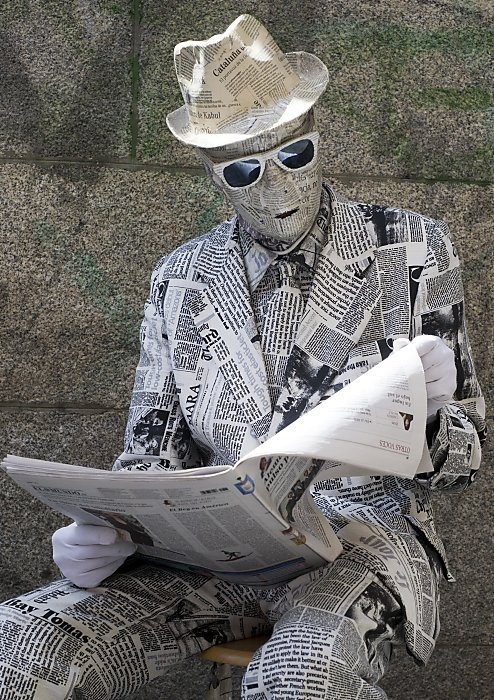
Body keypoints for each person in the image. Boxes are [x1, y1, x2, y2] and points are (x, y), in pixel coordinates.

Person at [0, 14, 485, 700]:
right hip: (207, 556)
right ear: (211, 175)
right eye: (244, 168)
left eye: (295, 154)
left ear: (320, 134)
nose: (278, 187)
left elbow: (467, 460)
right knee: (21, 646)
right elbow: (150, 454)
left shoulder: (409, 249)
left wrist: (437, 416)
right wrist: (104, 529)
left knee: (301, 674)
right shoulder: (181, 277)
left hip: (362, 541)